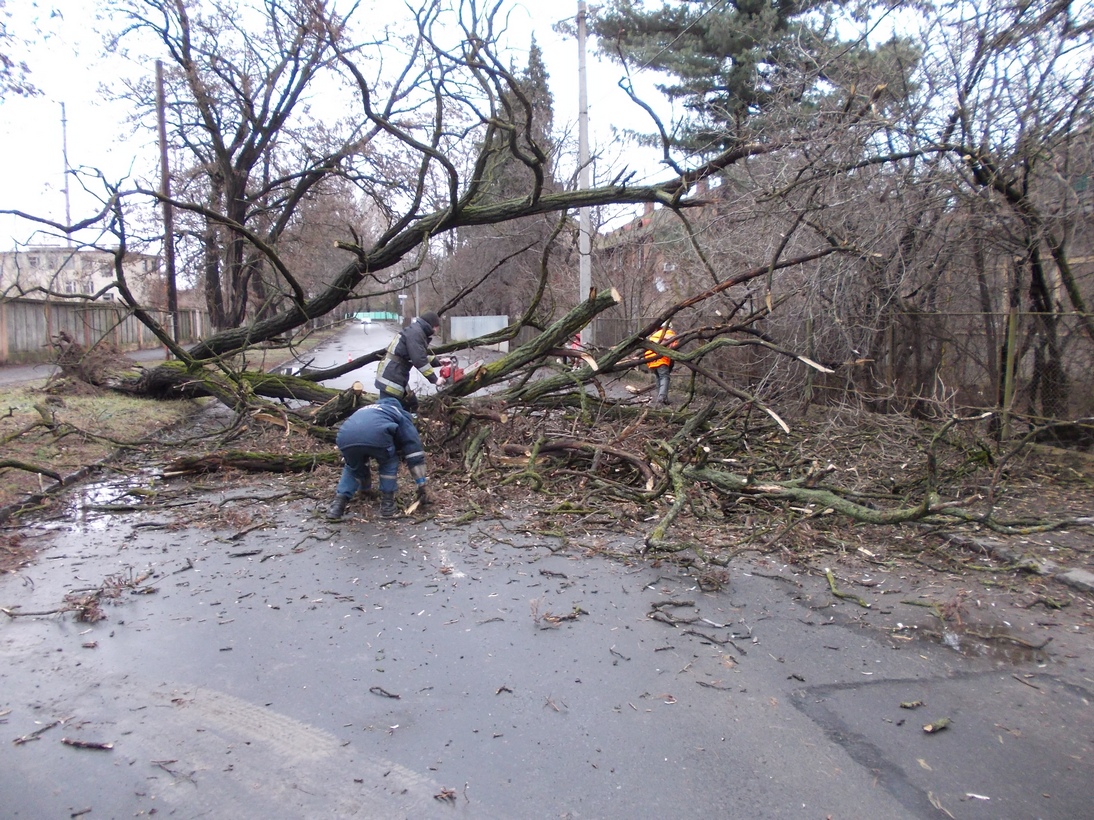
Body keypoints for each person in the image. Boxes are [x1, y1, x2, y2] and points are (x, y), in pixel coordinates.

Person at [326, 395, 430, 520]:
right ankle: (387, 505)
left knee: (353, 468)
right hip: (377, 437)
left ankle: (337, 506)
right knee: (389, 463)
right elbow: (413, 449)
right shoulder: (398, 413)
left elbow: (359, 431)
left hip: (345, 437)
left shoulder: (366, 409)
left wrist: (365, 490)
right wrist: (421, 484)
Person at [375, 310, 445, 401]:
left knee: (411, 404)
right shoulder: (416, 334)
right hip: (392, 378)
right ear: (434, 326)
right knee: (390, 409)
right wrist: (435, 379)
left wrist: (439, 361)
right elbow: (419, 360)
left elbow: (417, 356)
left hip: (393, 373)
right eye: (437, 327)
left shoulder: (416, 331)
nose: (437, 330)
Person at [644, 320, 679, 405]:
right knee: (664, 377)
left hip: (649, 358)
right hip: (660, 358)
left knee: (658, 377)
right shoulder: (670, 333)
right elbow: (674, 347)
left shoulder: (654, 335)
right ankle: (662, 398)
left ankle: (662, 398)